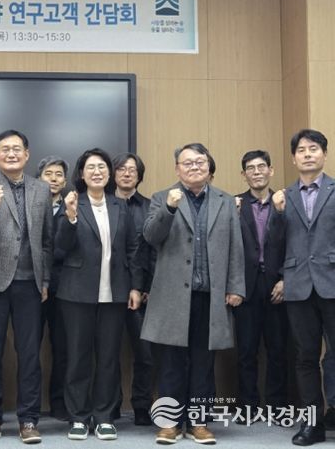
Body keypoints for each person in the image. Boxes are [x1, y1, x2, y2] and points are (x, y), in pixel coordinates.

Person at [142, 143, 244, 445]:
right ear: (177, 169)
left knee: (203, 363)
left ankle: (199, 422)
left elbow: (235, 246)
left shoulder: (226, 201)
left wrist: (235, 286)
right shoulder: (162, 197)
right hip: (173, 298)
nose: (194, 167)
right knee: (172, 363)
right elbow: (151, 237)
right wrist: (169, 209)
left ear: (209, 166)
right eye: (187, 163)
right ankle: (170, 423)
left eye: (200, 161)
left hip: (210, 296)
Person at [0, 130, 53, 445]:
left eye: (17, 148)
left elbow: (47, 241)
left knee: (29, 354)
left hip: (30, 283)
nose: (11, 153)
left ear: (27, 154)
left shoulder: (41, 188)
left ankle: (29, 419)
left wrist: (45, 280)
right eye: (5, 149)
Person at [55, 148, 142, 441]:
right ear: (81, 174)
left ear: (109, 173)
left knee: (108, 358)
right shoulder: (72, 202)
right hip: (76, 293)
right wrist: (69, 218)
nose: (97, 172)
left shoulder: (120, 206)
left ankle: (104, 416)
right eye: (91, 167)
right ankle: (79, 417)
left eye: (102, 167)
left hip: (114, 293)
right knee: (78, 357)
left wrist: (135, 286)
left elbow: (133, 249)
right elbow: (59, 248)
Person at [270, 129, 335, 445]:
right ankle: (313, 424)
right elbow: (275, 243)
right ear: (293, 158)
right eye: (301, 150)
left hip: (333, 282)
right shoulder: (284, 196)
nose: (308, 154)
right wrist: (278, 214)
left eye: (314, 148)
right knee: (305, 357)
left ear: (324, 154)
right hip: (298, 287)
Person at [234, 150, 288, 422]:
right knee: (246, 351)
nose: (256, 172)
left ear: (271, 170)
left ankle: (277, 407)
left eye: (261, 166)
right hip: (245, 288)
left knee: (278, 350)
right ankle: (248, 407)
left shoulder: (285, 203)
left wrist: (285, 279)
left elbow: (295, 243)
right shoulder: (234, 205)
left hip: (277, 285)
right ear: (243, 175)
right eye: (250, 168)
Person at [111, 152, 155, 426]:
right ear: (113, 174)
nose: (127, 174)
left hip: (142, 292)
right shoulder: (102, 203)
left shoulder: (150, 207)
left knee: (145, 354)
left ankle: (141, 406)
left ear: (139, 176)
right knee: (108, 353)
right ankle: (111, 405)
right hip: (108, 291)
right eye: (121, 169)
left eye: (132, 170)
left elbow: (155, 251)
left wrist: (145, 286)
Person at [36, 155, 70, 421]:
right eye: (49, 174)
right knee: (29, 349)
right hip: (33, 286)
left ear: (65, 181)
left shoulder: (72, 206)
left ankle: (59, 404)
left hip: (64, 287)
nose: (54, 179)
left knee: (63, 349)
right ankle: (30, 406)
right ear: (39, 179)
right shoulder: (31, 205)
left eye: (59, 174)